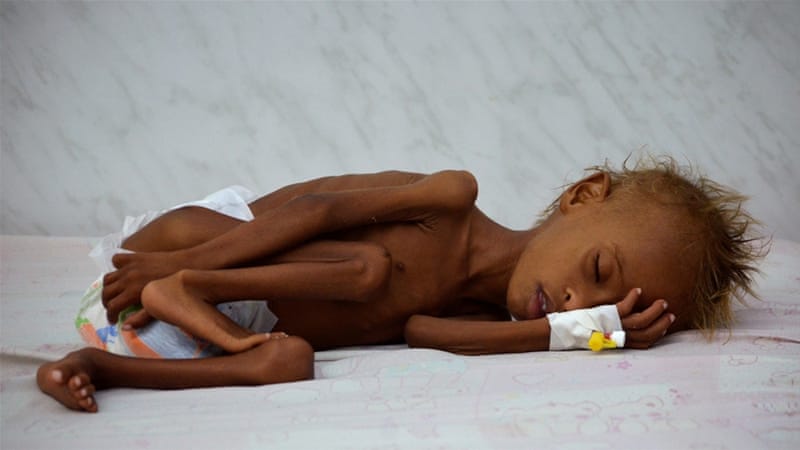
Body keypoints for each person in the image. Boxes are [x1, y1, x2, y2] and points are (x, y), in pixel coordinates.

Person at [37, 156, 764, 413]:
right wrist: (181, 265)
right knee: (369, 268)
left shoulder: (494, 317)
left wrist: (589, 335)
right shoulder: (454, 200)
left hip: (176, 333)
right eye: (597, 273)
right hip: (185, 251)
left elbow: (422, 333)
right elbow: (314, 211)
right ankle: (186, 287)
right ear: (582, 195)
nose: (578, 301)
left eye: (601, 308)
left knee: (288, 360)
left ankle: (93, 366)